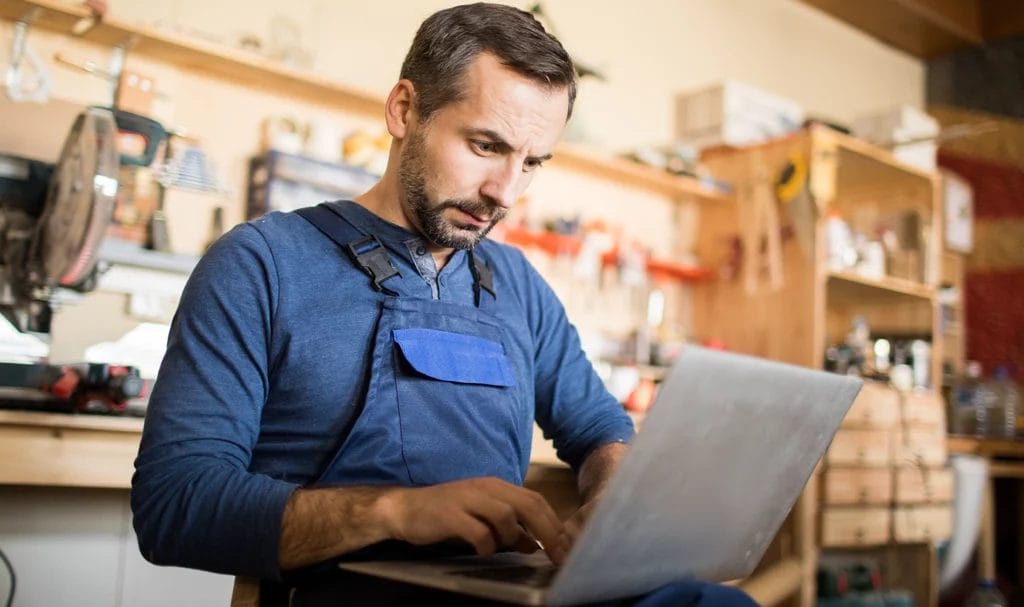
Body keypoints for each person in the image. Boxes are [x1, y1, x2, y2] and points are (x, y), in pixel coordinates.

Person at [131, 3, 757, 606]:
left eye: (532, 162)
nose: (503, 192)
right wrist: (396, 511)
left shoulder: (515, 282)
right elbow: (175, 505)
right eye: (486, 146)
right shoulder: (262, 264)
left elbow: (600, 431)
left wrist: (615, 501)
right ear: (405, 110)